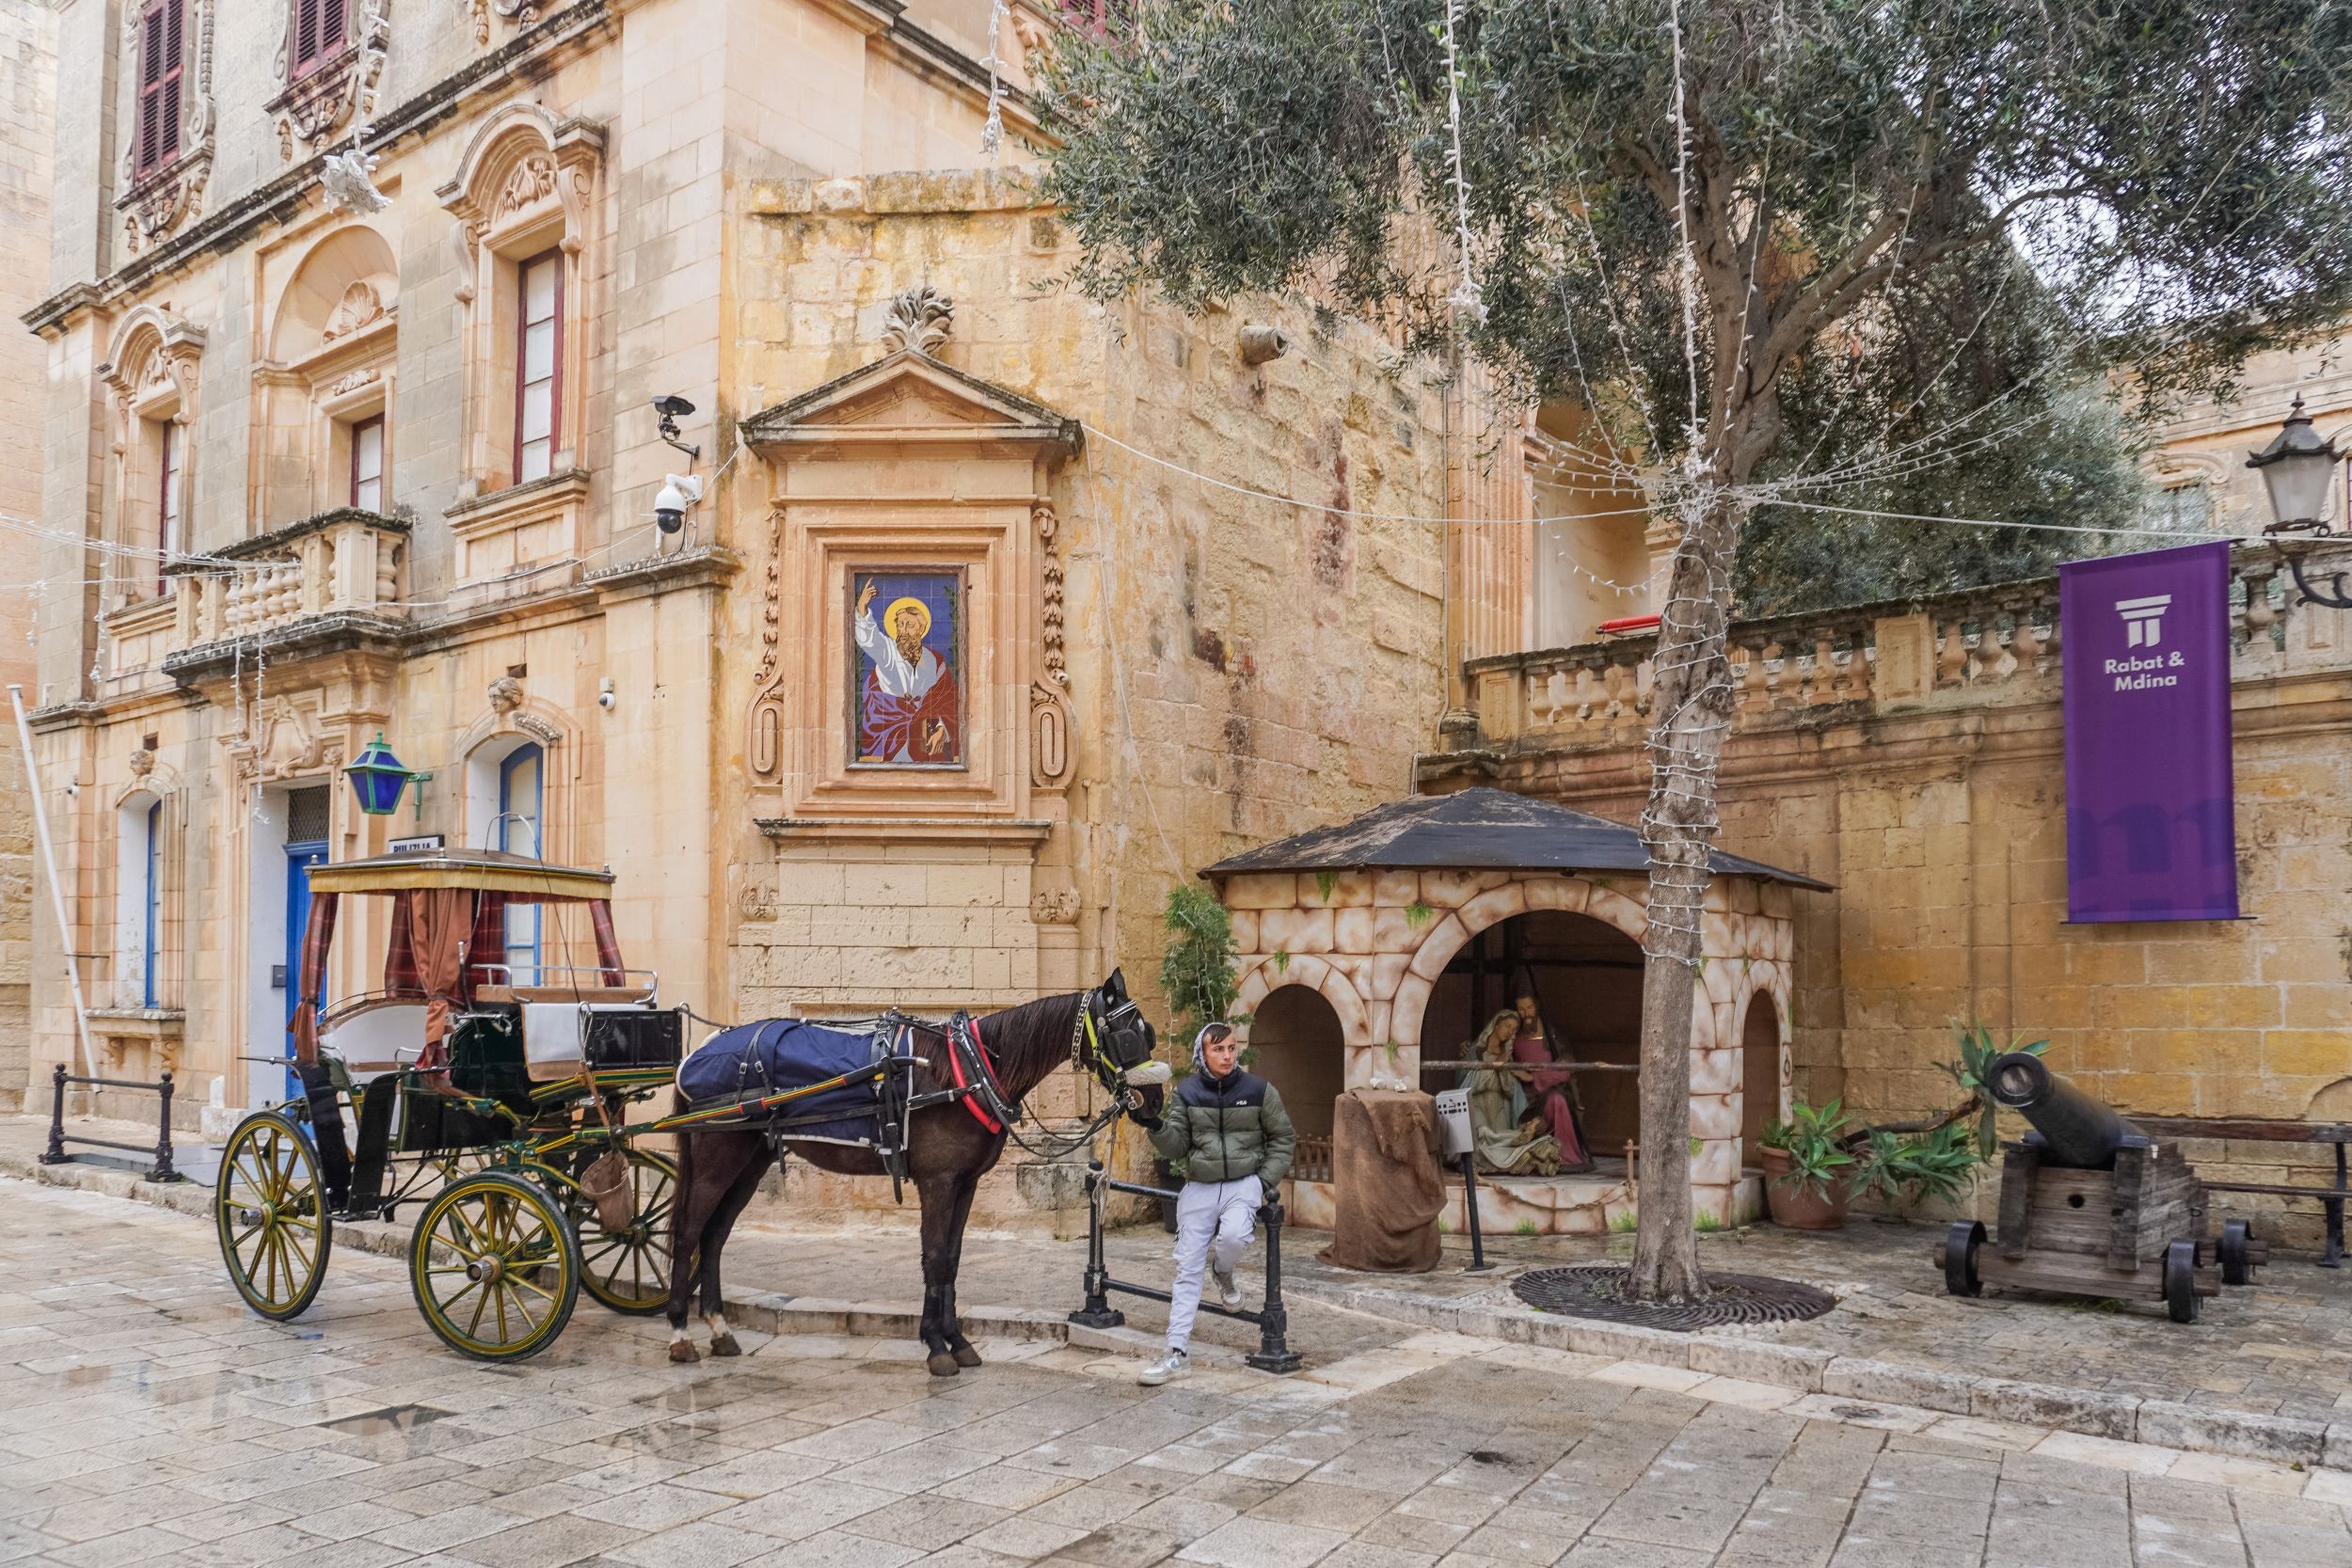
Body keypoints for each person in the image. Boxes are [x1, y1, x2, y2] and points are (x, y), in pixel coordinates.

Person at [1133, 1022, 1295, 1386]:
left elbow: (1283, 1137)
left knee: (1234, 1238)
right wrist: (1154, 1125)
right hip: (1200, 1186)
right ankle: (1176, 1353)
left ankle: (1223, 1272)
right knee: (1187, 1268)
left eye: (1231, 1048)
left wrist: (1262, 1181)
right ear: (1202, 1054)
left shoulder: (1258, 1090)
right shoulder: (1187, 1092)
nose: (1227, 1056)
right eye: (1218, 1049)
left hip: (1244, 1183)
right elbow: (1177, 1145)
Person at [1462, 1009, 1563, 1177]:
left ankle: (1523, 1147)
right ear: (1495, 1025)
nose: (1510, 1031)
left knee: (1500, 1139)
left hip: (1499, 1107)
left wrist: (1504, 1071)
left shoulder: (1507, 1057)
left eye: (1514, 1029)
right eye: (1507, 1026)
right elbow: (1462, 1083)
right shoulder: (1474, 1053)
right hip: (1478, 1103)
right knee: (1480, 1136)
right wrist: (1493, 1068)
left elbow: (1510, 1090)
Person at [1510, 992, 1590, 1169]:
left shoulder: (1552, 1035)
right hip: (1525, 1096)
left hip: (1551, 1090)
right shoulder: (1513, 1037)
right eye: (1521, 1009)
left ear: (1537, 1006)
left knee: (1557, 1100)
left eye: (1529, 1007)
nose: (1526, 1013)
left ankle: (1565, 1155)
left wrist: (1535, 1077)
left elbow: (1567, 1067)